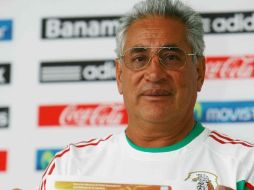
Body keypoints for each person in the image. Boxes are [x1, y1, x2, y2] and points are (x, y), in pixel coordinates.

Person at [39, 0, 254, 189]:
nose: (154, 73)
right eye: (140, 59)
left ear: (199, 72)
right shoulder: (70, 166)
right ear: (119, 74)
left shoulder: (244, 167)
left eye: (170, 57)